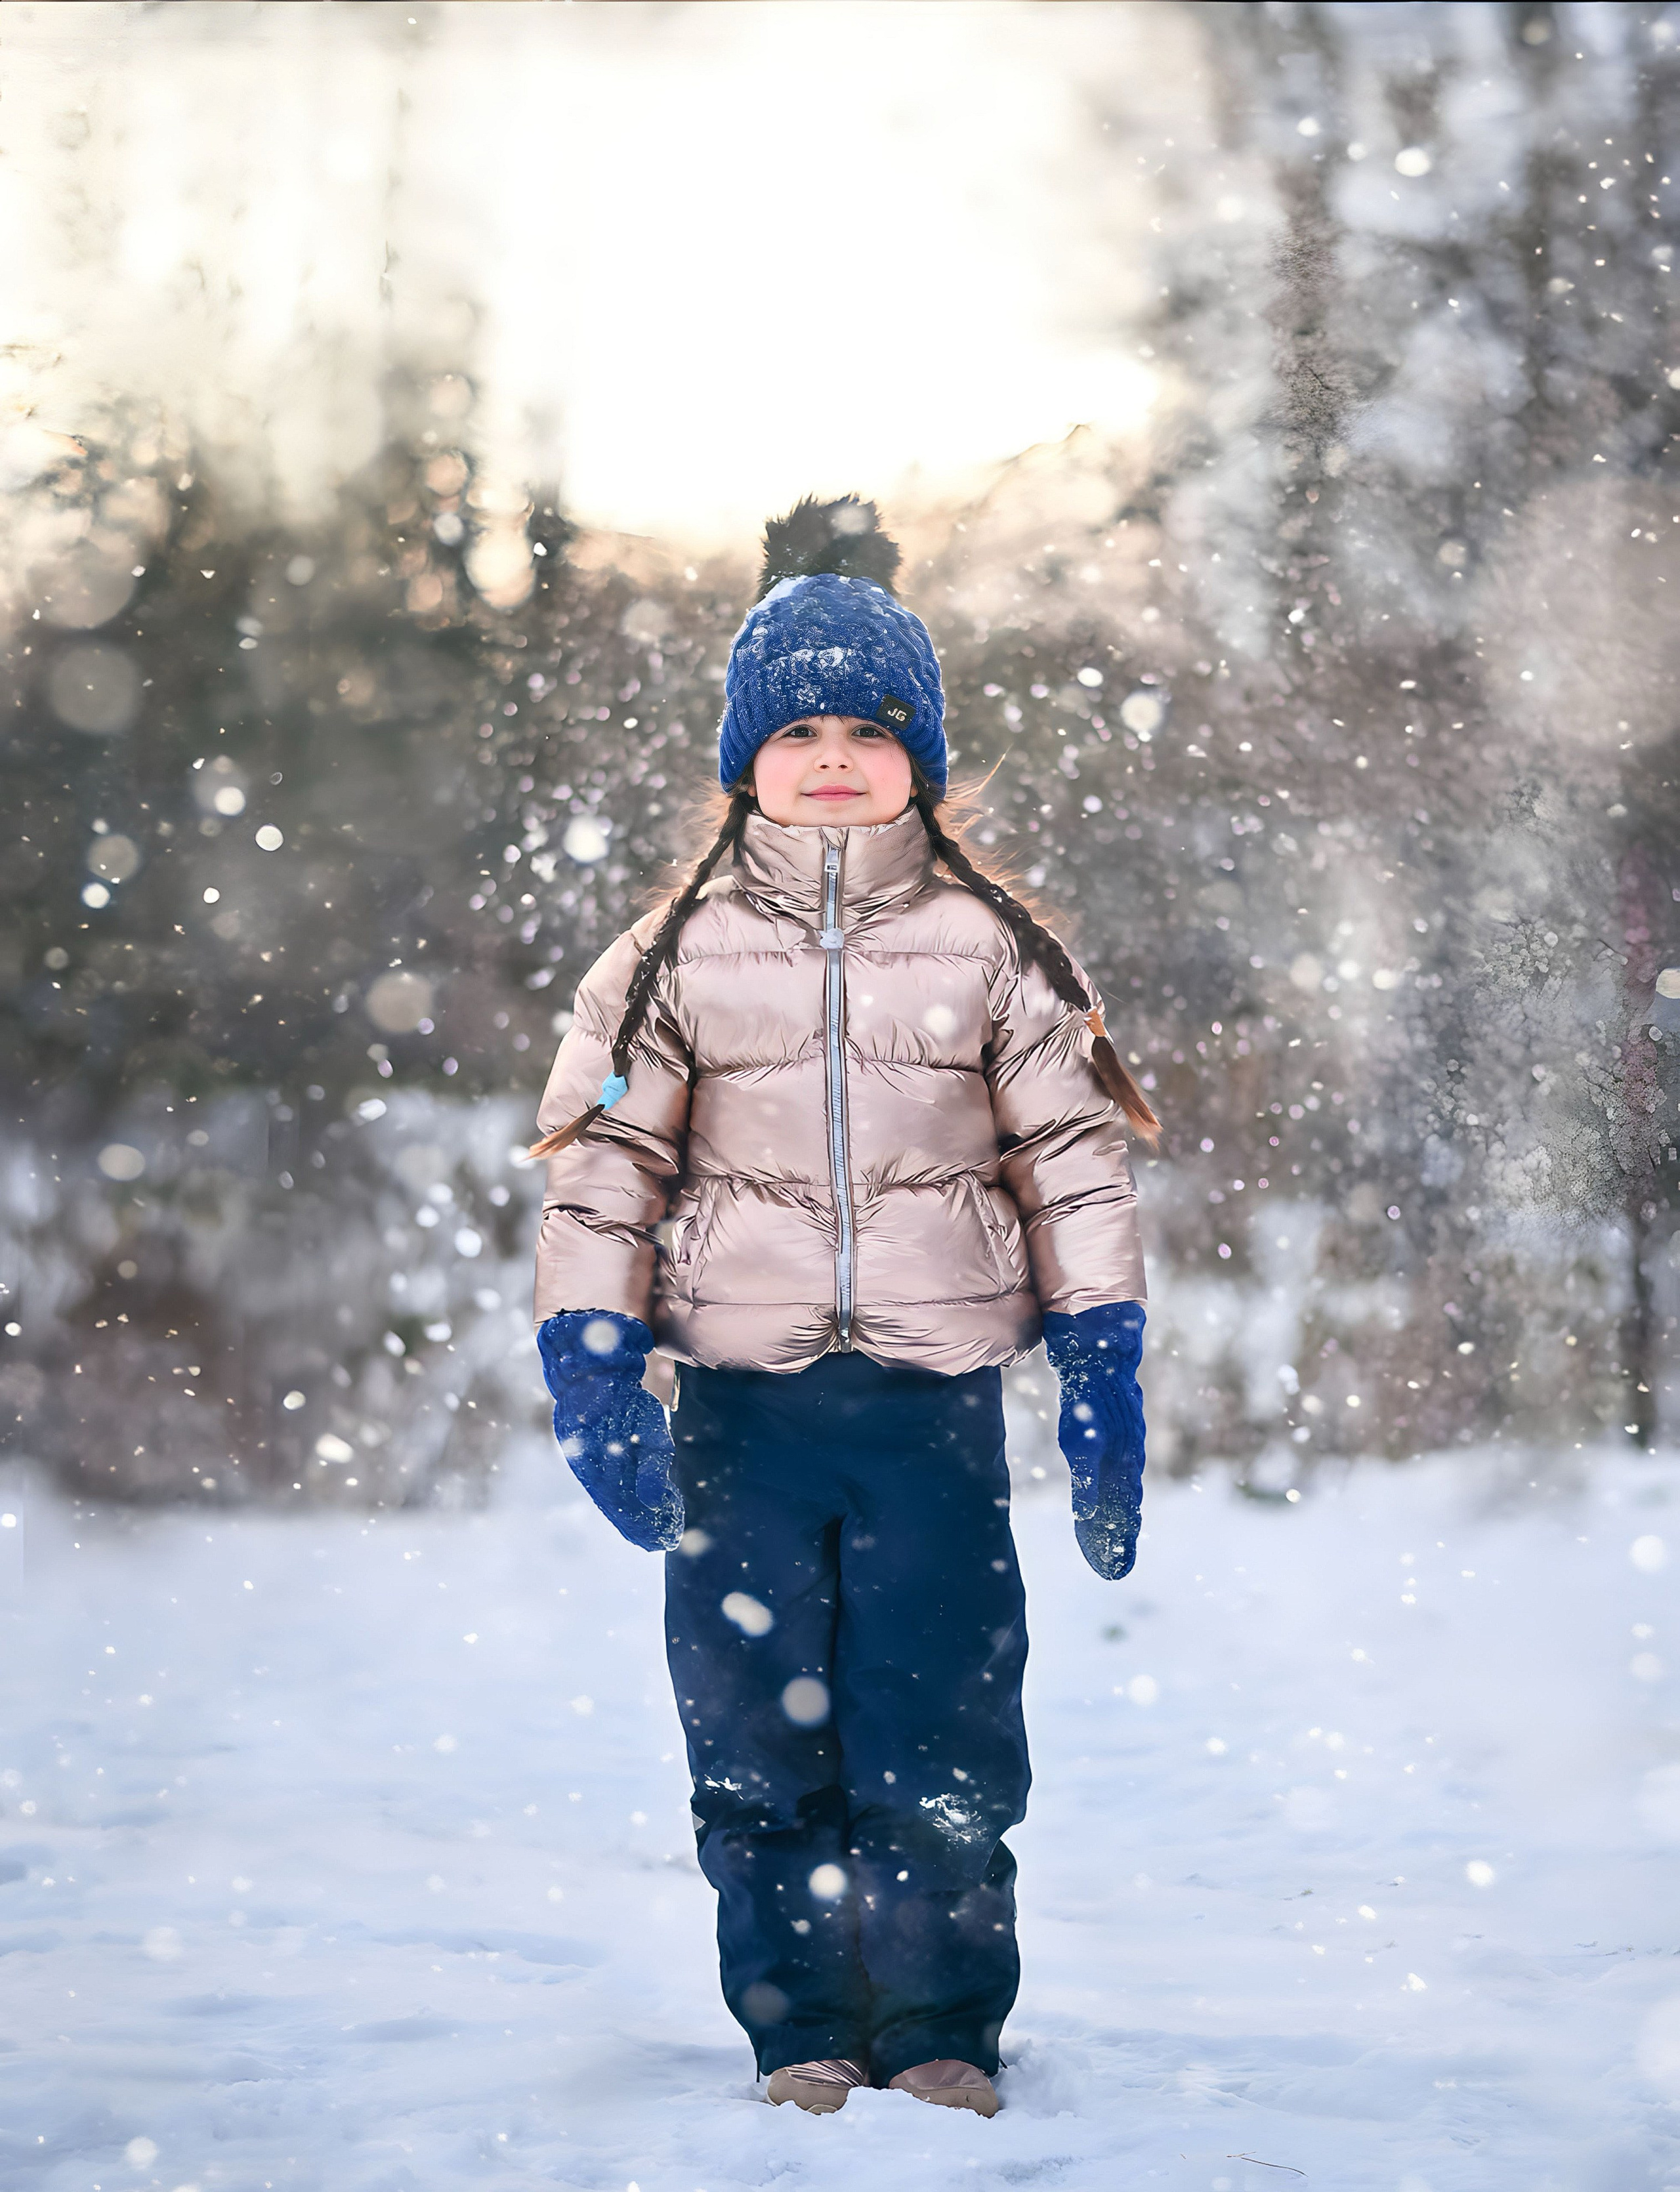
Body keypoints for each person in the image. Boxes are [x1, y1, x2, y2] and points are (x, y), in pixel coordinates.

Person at [529, 495, 1154, 2120]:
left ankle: (941, 2021)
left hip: (930, 1418)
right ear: (744, 755)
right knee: (753, 1739)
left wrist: (1100, 1359)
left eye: (864, 729)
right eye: (793, 726)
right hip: (738, 1417)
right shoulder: (664, 955)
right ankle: (796, 2023)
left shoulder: (997, 945)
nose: (827, 755)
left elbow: (1072, 1160)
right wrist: (590, 1365)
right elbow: (604, 1169)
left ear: (917, 761)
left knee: (937, 1729)